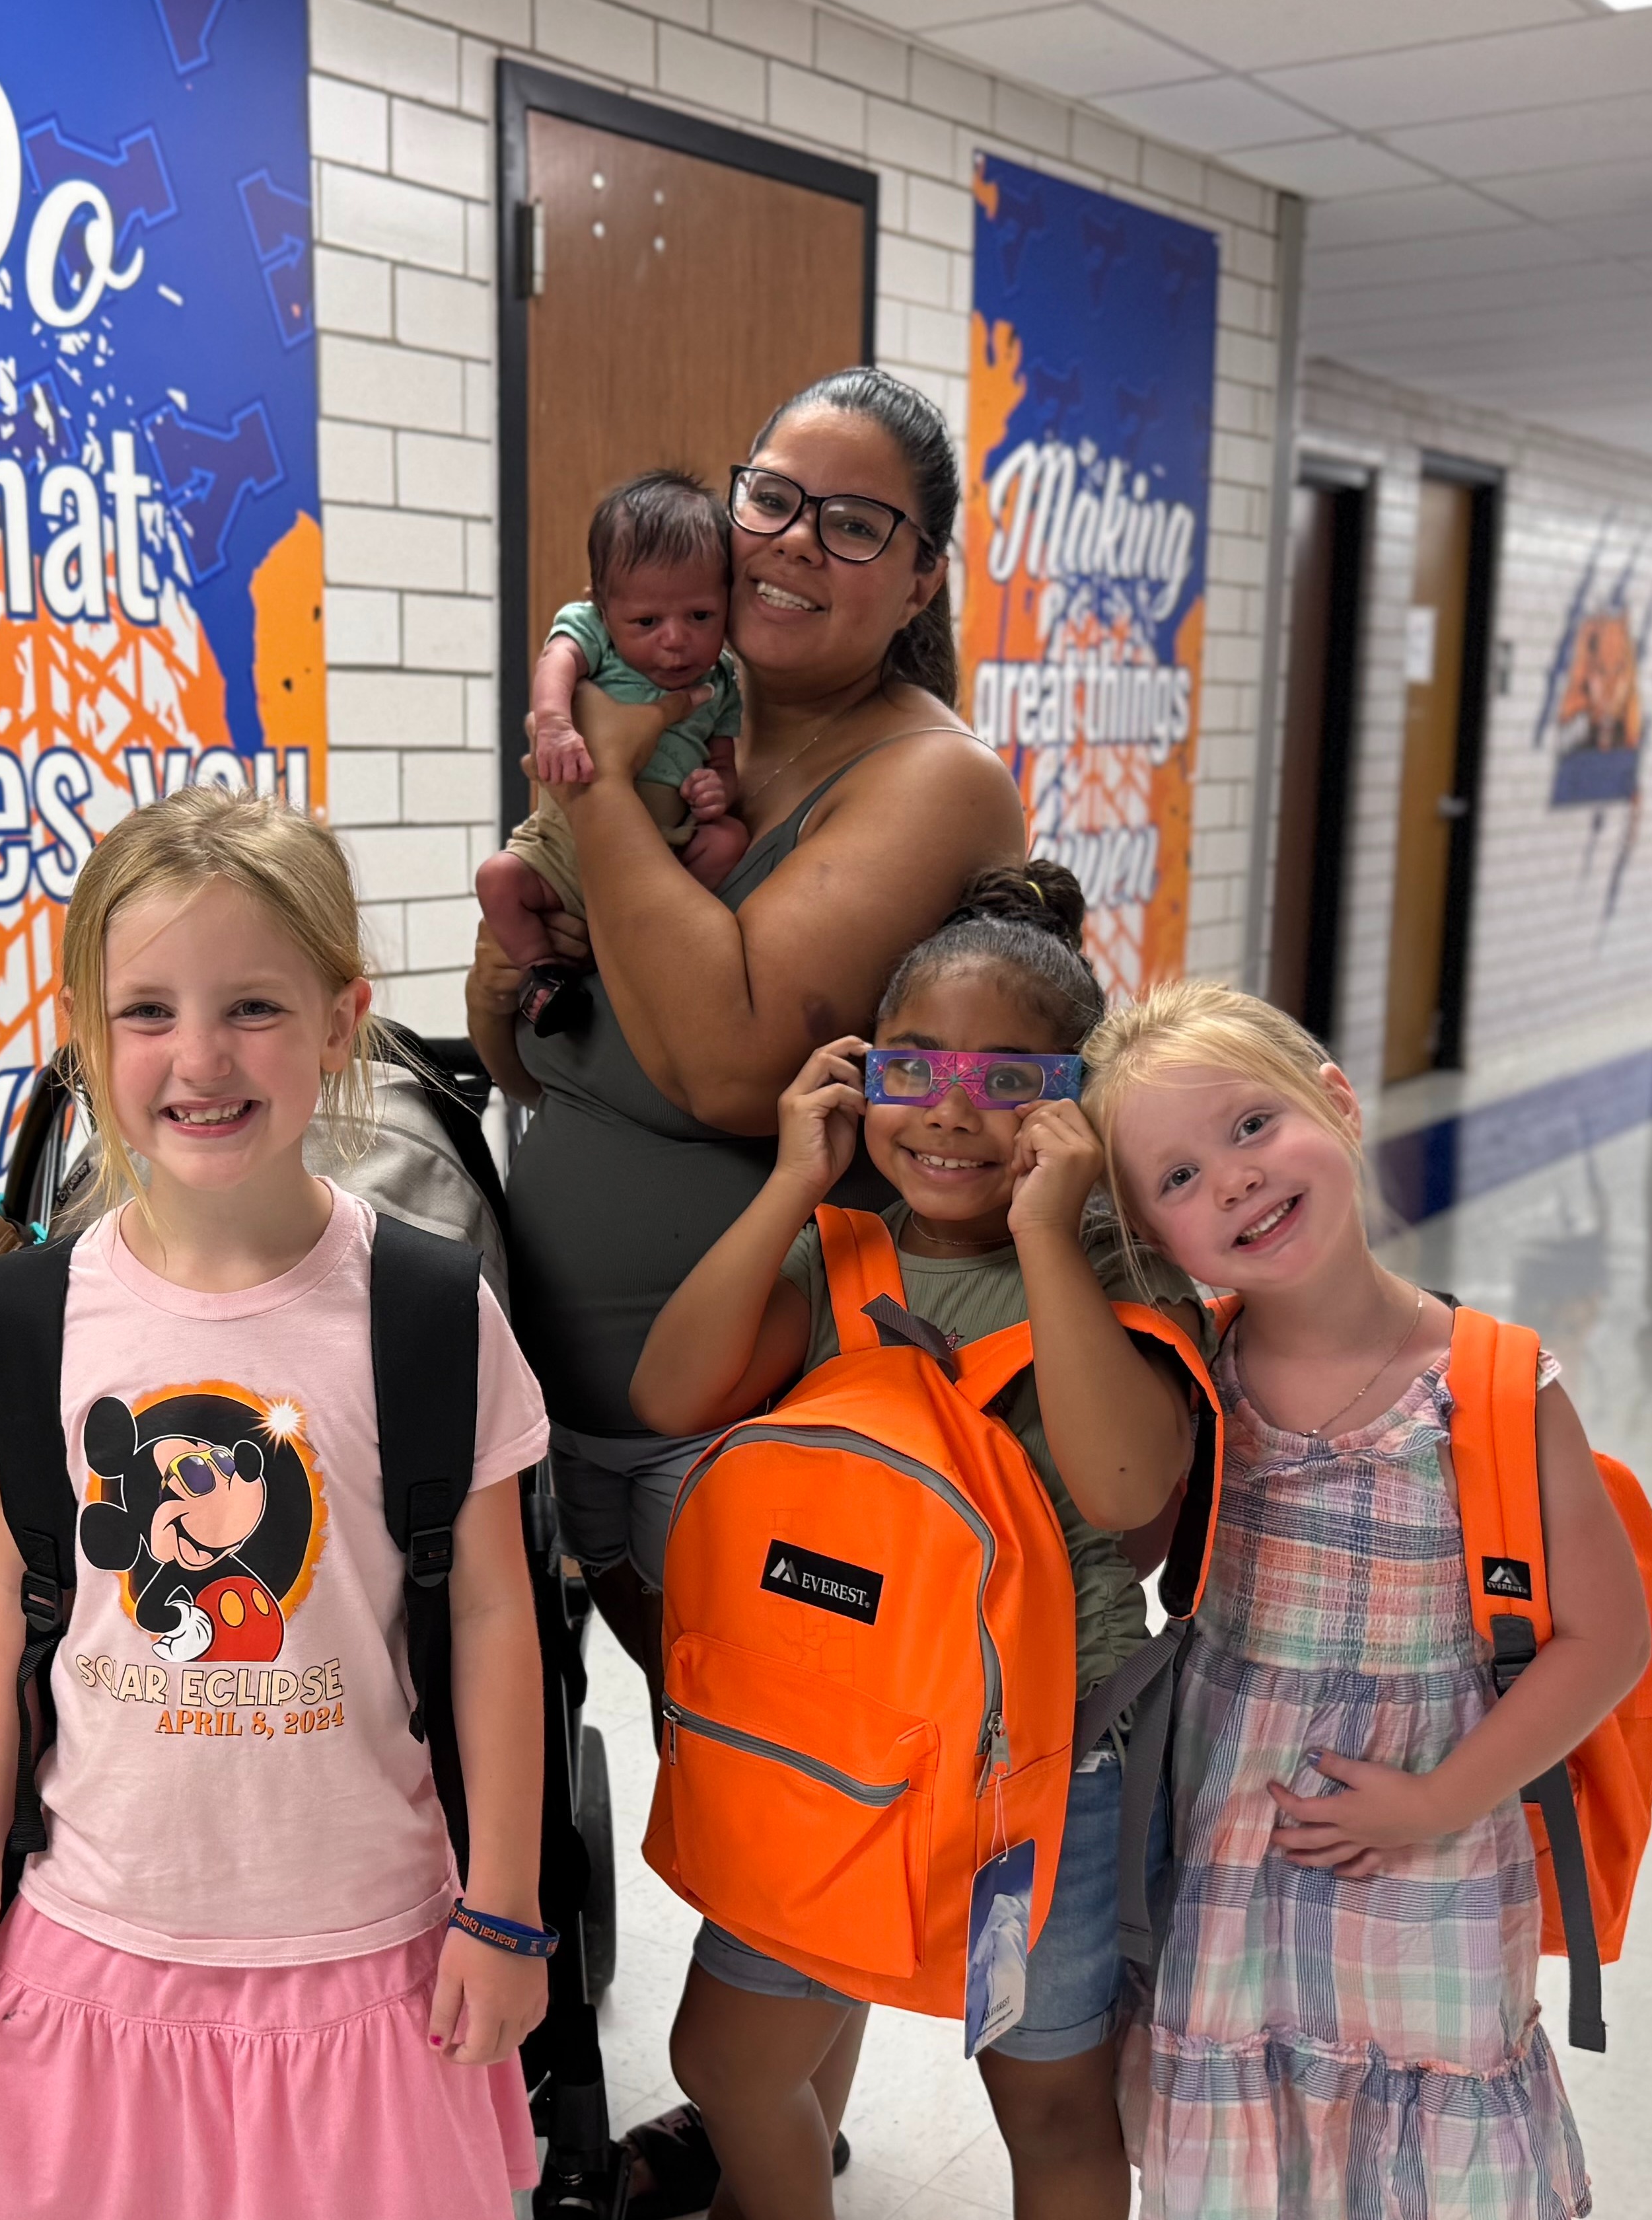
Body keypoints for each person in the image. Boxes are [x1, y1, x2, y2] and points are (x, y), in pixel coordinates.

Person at [0, 789, 555, 2217]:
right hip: (89, 1935)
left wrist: (506, 1904)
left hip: (367, 1951)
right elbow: (14, 1600)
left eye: (253, 1005)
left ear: (339, 1020)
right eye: (145, 1013)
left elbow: (499, 1614)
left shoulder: (430, 1314)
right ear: (84, 1032)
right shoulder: (37, 1317)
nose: (198, 1059)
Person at [628, 864, 1202, 2220]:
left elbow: (1128, 1491)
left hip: (1038, 1773)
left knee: (1053, 2108)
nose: (953, 1109)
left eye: (1013, 1081)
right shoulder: (839, 1252)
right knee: (722, 2057)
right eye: (917, 1069)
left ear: (1077, 1105)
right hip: (833, 1750)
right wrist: (790, 1185)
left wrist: (1049, 1238)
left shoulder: (1123, 1267)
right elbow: (670, 1394)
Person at [472, 367, 1030, 1707]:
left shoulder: (931, 778)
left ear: (922, 581)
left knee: (778, 1808)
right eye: (773, 497)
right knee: (677, 1797)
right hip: (559, 1425)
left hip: (750, 1432)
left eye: (854, 524)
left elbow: (729, 1067)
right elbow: (534, 1052)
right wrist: (515, 971)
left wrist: (595, 775)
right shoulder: (679, 716)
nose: (792, 538)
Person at [1082, 982, 1649, 2220]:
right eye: (1174, 1180)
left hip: (1433, 1867)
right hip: (1233, 1855)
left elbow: (1608, 1636)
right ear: (1153, 1240)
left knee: (1426, 2161)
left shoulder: (1493, 1388)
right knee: (1246, 2159)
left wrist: (1443, 1798)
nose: (1229, 1183)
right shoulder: (1189, 1382)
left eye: (1248, 1127)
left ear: (1333, 1105)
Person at [478, 468, 750, 1019]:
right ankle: (544, 973)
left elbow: (723, 762)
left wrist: (716, 787)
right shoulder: (592, 636)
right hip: (559, 852)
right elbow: (557, 661)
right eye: (646, 620)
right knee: (498, 879)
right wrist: (555, 723)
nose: (675, 639)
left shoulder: (720, 680)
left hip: (661, 856)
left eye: (701, 616)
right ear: (601, 608)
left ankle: (658, 934)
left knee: (729, 839)